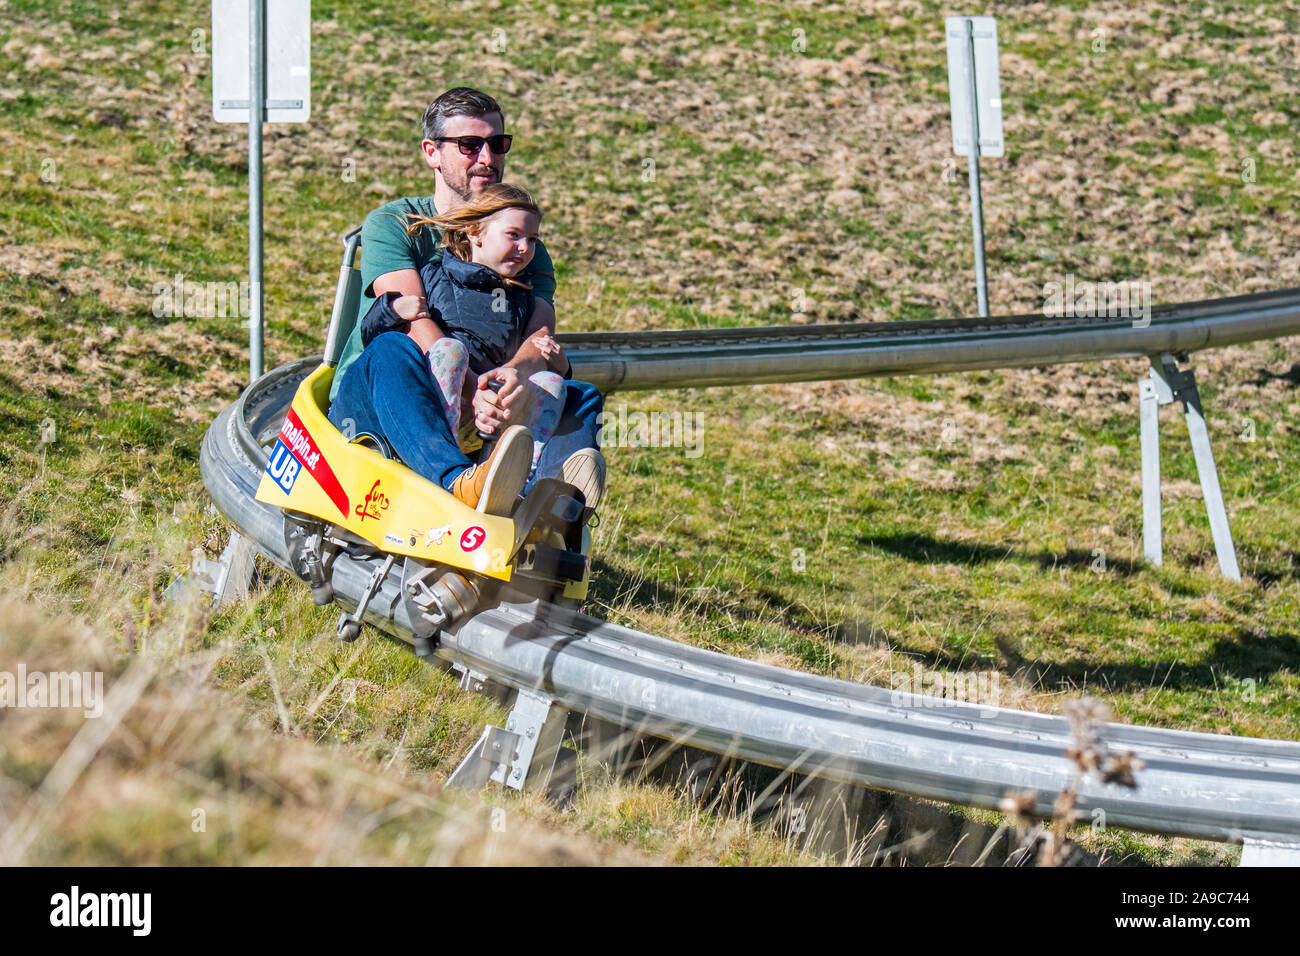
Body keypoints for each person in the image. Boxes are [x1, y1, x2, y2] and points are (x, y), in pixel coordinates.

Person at [343, 183, 605, 509]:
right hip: (403, 410)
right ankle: (453, 480)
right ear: (475, 233)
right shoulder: (432, 277)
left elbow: (539, 346)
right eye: (514, 236)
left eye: (532, 240)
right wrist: (393, 310)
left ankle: (541, 500)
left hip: (482, 420)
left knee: (568, 388)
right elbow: (377, 336)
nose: (525, 248)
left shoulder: (520, 299)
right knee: (443, 351)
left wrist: (536, 373)